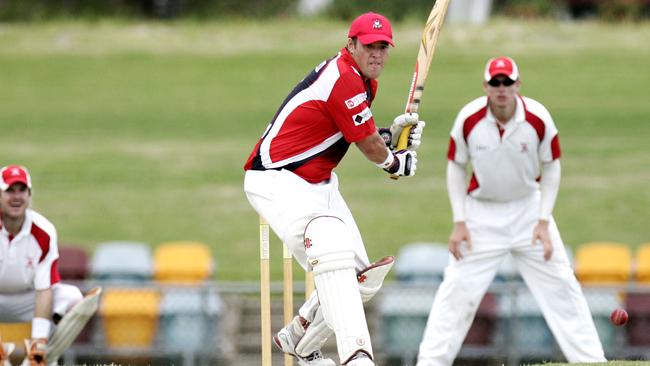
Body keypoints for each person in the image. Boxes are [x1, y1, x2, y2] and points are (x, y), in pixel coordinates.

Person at [244, 12, 425, 366]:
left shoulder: (363, 81)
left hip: (318, 180)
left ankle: (299, 336)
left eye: (383, 47)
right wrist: (393, 161)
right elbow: (369, 146)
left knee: (363, 280)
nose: (377, 54)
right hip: (278, 179)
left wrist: (390, 136)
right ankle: (355, 357)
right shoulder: (342, 78)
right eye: (370, 46)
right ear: (351, 45)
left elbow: (351, 132)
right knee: (332, 253)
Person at [416, 56, 606, 365]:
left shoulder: (538, 118)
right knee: (456, 290)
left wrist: (544, 220)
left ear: (517, 85)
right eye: (495, 83)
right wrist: (459, 221)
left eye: (507, 82)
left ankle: (591, 361)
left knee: (562, 285)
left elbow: (552, 167)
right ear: (485, 86)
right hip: (481, 214)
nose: (501, 89)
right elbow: (455, 167)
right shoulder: (469, 118)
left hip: (529, 211)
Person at [0, 165, 98, 366]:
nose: (16, 197)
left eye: (22, 190)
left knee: (72, 298)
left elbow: (44, 290)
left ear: (29, 195)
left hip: (27, 300)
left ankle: (41, 355)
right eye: (10, 190)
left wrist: (38, 343)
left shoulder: (44, 231)